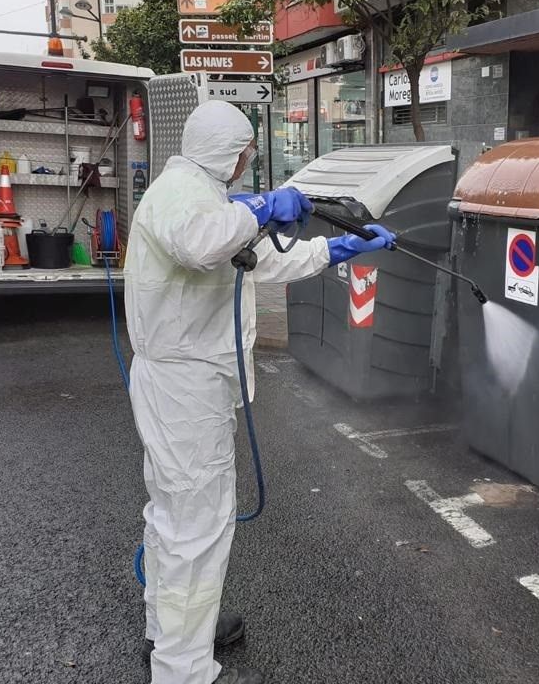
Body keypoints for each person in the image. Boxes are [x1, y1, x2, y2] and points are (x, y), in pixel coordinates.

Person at [123, 100, 395, 684]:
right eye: (247, 148)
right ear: (229, 150)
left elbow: (262, 262)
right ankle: (183, 668)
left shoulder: (208, 198)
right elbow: (201, 243)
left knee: (179, 516)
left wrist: (337, 248)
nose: (250, 159)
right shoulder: (181, 197)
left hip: (193, 384)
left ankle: (174, 632)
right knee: (196, 524)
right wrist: (263, 207)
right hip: (182, 385)